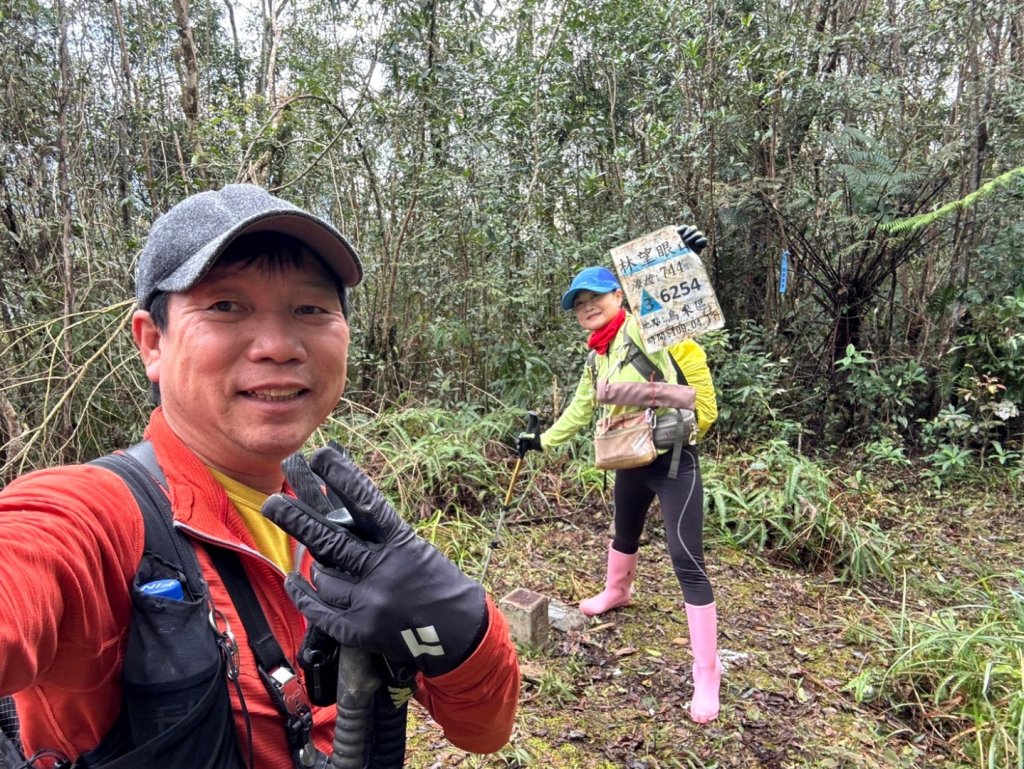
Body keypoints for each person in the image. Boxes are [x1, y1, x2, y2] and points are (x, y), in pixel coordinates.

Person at [0, 184, 519, 768]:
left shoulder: (333, 512)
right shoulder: (91, 515)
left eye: (311, 309)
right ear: (151, 342)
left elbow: (484, 731)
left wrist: (458, 622)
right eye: (226, 306)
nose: (278, 346)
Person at [517, 228, 721, 723]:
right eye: (578, 303)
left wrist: (683, 260)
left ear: (618, 295)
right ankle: (617, 591)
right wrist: (541, 441)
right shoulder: (597, 355)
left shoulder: (644, 330)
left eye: (594, 297)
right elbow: (579, 409)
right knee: (623, 532)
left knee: (684, 557)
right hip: (628, 459)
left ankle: (707, 673)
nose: (586, 307)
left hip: (673, 461)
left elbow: (670, 308)